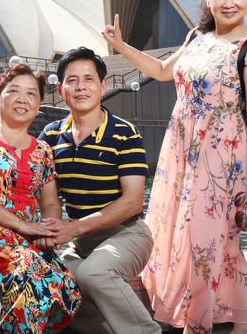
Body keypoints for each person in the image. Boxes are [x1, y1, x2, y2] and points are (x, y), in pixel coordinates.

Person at [102, 0, 247, 334]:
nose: (229, 2)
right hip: (180, 152)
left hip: (221, 156)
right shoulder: (197, 37)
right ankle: (245, 325)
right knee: (189, 237)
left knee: (204, 242)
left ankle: (198, 325)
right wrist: (121, 46)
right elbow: (162, 72)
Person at [38, 47, 161, 334]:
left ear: (103, 86)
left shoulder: (124, 132)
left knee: (94, 273)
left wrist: (73, 228)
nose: (81, 87)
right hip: (79, 241)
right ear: (60, 88)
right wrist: (53, 229)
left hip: (127, 233)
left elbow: (132, 203)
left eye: (88, 79)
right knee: (55, 276)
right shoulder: (51, 136)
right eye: (72, 80)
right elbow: (49, 200)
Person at [0, 64, 82, 333]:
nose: (22, 99)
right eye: (14, 91)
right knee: (28, 274)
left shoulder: (43, 150)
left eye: (31, 94)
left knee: (68, 288)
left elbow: (49, 203)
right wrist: (22, 225)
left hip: (28, 242)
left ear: (39, 105)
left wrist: (49, 231)